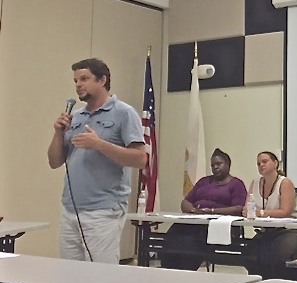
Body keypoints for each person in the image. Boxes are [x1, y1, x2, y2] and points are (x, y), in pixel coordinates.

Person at [47, 58, 146, 263]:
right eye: (75, 81)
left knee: (101, 277)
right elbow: (55, 162)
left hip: (103, 210)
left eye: (84, 79)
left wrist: (100, 145)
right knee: (69, 274)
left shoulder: (124, 113)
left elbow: (140, 159)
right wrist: (58, 133)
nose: (78, 85)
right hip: (70, 209)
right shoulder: (76, 117)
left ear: (102, 80)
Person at [160, 149, 247, 270]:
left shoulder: (236, 184)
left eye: (218, 164)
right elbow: (186, 202)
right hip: (194, 220)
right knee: (173, 235)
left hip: (218, 226)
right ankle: (168, 270)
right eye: (212, 165)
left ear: (228, 165)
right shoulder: (204, 181)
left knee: (189, 243)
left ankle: (185, 272)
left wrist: (211, 211)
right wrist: (192, 211)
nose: (215, 167)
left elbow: (238, 209)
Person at [242, 151, 297, 279]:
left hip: (291, 231)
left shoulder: (285, 183)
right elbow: (247, 208)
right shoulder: (255, 183)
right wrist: (248, 211)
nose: (261, 165)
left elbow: (285, 212)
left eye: (264, 161)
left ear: (275, 164)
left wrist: (261, 213)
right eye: (258, 163)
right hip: (267, 232)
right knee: (249, 254)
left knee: (275, 255)